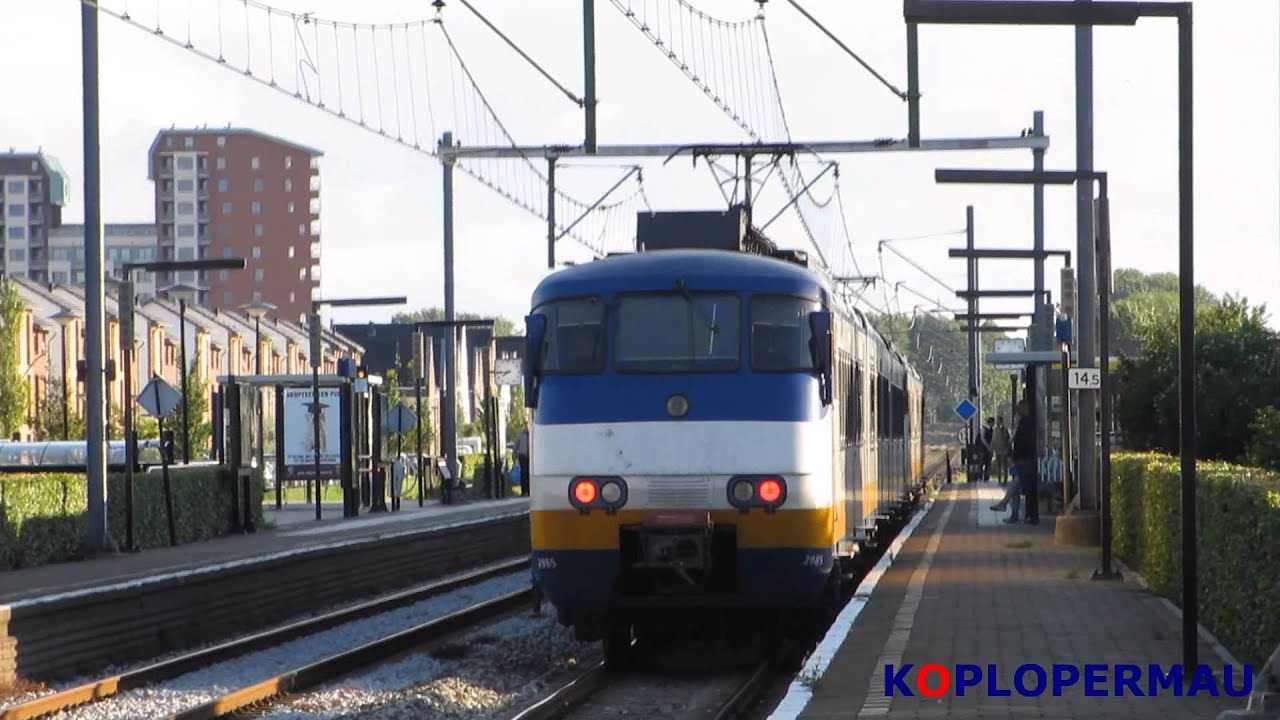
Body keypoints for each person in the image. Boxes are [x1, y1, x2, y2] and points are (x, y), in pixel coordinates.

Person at [1006, 400, 1039, 525]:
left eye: (1020, 408)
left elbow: (1023, 443)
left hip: (1024, 460)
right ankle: (1016, 514)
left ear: (1025, 409)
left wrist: (1016, 456)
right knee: (1017, 487)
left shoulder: (1026, 423)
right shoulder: (1025, 422)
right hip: (1023, 460)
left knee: (1020, 487)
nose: (1018, 411)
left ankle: (1008, 507)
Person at [991, 415, 1012, 485]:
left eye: (998, 420)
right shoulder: (994, 430)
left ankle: (1005, 480)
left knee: (1004, 465)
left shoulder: (1005, 429)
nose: (997, 422)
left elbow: (1008, 438)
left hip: (1004, 450)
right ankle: (999, 480)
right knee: (998, 465)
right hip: (997, 450)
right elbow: (993, 439)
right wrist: (992, 447)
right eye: (996, 421)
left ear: (1001, 421)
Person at [514, 423, 531, 498]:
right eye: (525, 425)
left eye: (527, 425)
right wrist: (514, 456)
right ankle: (523, 491)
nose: (526, 426)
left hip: (530, 457)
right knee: (523, 473)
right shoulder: (520, 434)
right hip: (523, 456)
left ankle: (529, 491)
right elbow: (516, 445)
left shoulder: (532, 433)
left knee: (529, 474)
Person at [978, 417, 994, 483]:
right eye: (993, 422)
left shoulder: (991, 429)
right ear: (990, 422)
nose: (993, 424)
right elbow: (982, 439)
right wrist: (988, 447)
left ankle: (986, 478)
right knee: (981, 463)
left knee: (988, 464)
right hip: (982, 449)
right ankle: (980, 477)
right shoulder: (984, 429)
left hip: (989, 449)